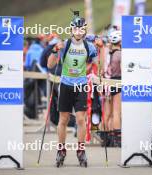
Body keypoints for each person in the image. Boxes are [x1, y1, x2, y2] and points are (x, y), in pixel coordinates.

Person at [47, 12, 97, 167]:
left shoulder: (90, 46)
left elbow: (96, 63)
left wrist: (92, 67)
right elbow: (50, 65)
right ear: (71, 30)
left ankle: (80, 150)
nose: (78, 32)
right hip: (66, 85)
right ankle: (61, 150)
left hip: (80, 85)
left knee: (81, 119)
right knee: (64, 119)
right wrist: (55, 50)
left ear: (84, 31)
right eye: (75, 29)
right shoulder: (65, 44)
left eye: (81, 29)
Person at [104, 30, 122, 147]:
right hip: (118, 81)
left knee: (108, 112)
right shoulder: (120, 54)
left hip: (107, 82)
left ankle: (107, 138)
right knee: (117, 112)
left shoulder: (108, 53)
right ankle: (117, 138)